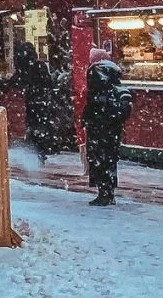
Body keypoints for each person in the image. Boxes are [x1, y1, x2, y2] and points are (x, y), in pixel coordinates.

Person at [80, 48, 131, 206]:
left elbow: (93, 100)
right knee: (109, 159)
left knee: (98, 158)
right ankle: (109, 192)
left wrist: (86, 118)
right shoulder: (113, 74)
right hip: (112, 126)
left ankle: (103, 193)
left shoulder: (96, 71)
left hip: (99, 125)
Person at [14, 40, 73, 162]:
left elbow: (17, 82)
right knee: (41, 127)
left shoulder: (24, 68)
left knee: (34, 127)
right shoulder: (39, 66)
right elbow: (48, 83)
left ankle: (37, 151)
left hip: (33, 102)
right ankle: (41, 150)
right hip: (43, 102)